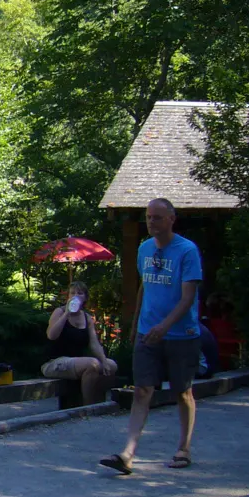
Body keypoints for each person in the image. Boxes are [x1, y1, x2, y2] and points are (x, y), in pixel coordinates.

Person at [100, 199, 202, 475]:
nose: (151, 222)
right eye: (148, 217)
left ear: (171, 219)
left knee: (182, 391)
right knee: (143, 390)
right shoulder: (144, 249)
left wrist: (165, 327)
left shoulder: (187, 251)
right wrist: (136, 326)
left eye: (157, 217)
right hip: (148, 333)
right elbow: (145, 286)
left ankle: (184, 447)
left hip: (182, 334)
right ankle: (128, 454)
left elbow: (187, 297)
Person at [40, 281, 118, 404]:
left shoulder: (87, 318)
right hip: (54, 362)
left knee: (111, 365)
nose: (75, 296)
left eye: (80, 293)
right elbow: (51, 335)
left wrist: (103, 360)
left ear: (85, 298)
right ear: (68, 297)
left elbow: (94, 344)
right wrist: (66, 314)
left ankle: (99, 403)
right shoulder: (59, 312)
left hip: (77, 361)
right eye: (72, 293)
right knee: (92, 364)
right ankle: (87, 407)